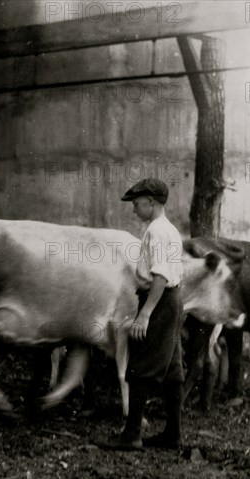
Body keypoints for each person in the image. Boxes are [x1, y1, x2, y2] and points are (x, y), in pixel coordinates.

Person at [105, 178, 185, 450]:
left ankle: (131, 435)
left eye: (137, 204)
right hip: (172, 299)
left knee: (141, 366)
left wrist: (145, 314)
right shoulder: (169, 229)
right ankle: (173, 434)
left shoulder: (157, 231)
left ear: (151, 203)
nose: (134, 209)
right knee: (172, 368)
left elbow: (160, 275)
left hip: (159, 300)